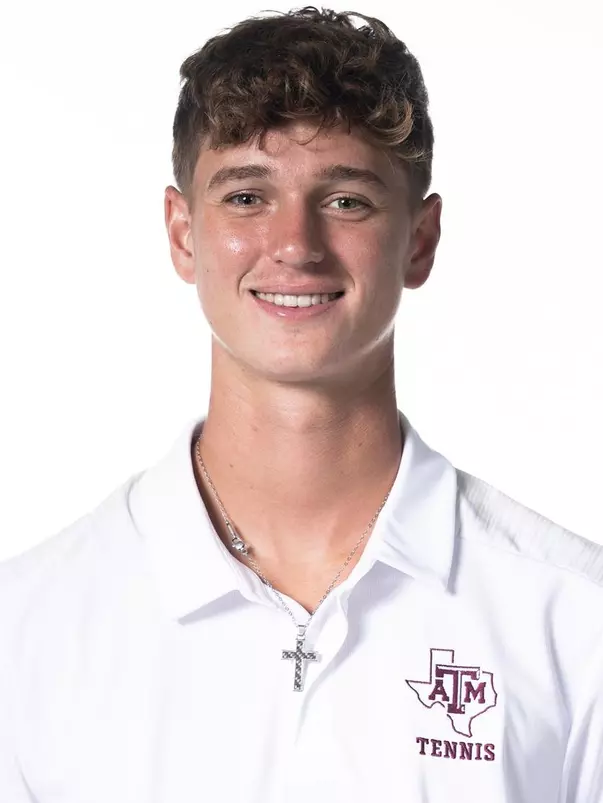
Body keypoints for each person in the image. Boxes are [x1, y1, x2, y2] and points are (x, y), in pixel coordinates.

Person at [1, 6, 602, 802]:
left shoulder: (572, 621)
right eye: (247, 197)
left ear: (418, 241)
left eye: (347, 200)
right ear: (183, 233)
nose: (295, 244)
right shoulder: (29, 631)